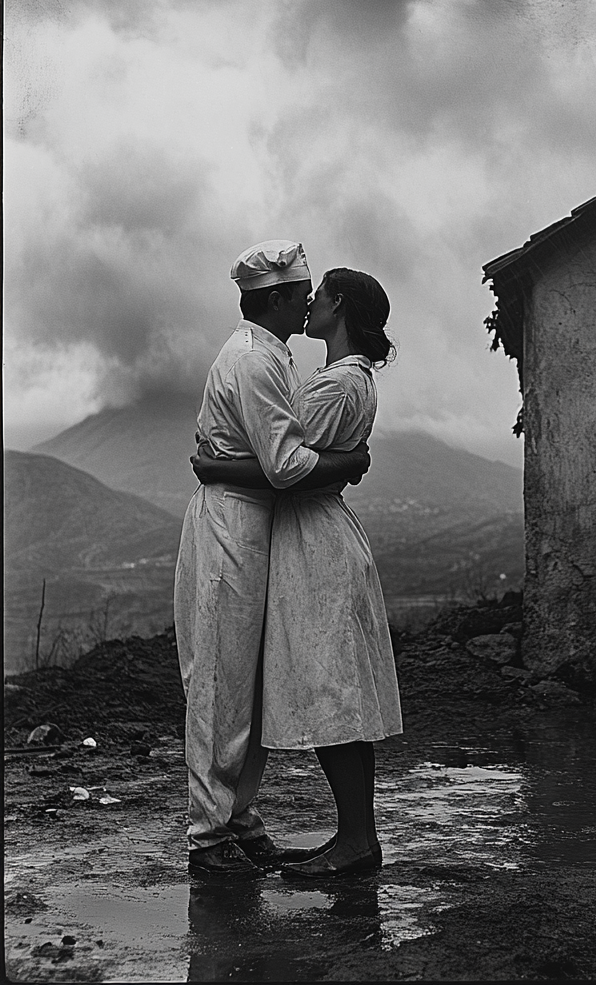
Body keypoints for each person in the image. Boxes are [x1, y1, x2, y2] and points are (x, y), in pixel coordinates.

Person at [191, 266, 403, 879]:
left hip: (314, 541)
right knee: (337, 689)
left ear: (338, 307)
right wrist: (348, 460)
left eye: (320, 296)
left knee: (329, 690)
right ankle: (356, 836)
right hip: (316, 533)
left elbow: (283, 464)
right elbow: (314, 462)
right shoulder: (340, 378)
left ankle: (356, 840)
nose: (309, 303)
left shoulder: (338, 385)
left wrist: (216, 469)